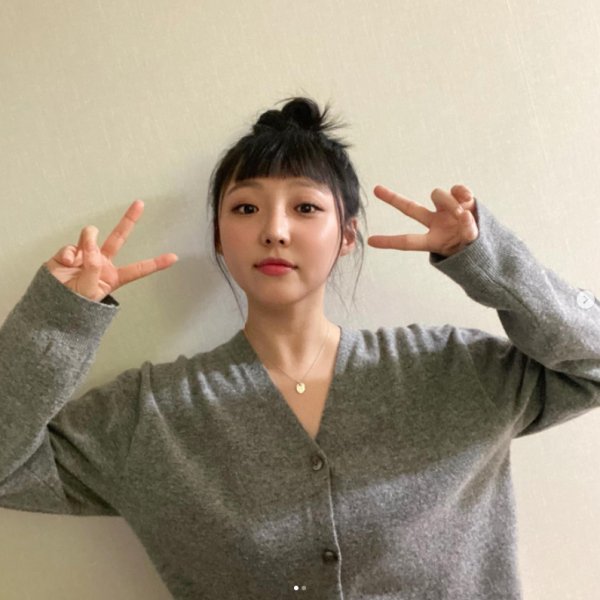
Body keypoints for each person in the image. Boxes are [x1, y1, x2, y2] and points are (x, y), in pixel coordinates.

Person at [0, 96, 598, 600]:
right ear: (219, 237)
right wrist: (60, 319)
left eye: (306, 207)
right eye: (246, 208)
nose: (275, 230)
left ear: (347, 235)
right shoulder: (151, 416)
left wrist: (484, 261)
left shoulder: (453, 372)